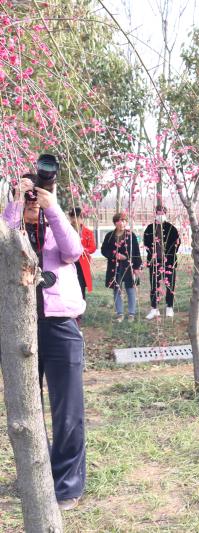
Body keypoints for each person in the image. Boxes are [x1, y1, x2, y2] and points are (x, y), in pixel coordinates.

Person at [4, 172, 87, 511]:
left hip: (60, 326)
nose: (32, 200)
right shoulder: (10, 231)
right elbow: (3, 248)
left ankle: (67, 484)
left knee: (67, 410)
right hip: (18, 328)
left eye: (36, 193)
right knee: (27, 410)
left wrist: (52, 208)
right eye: (26, 193)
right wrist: (14, 204)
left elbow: (74, 251)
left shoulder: (55, 228)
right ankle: (33, 475)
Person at [101, 212, 142, 322]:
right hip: (114, 266)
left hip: (128, 266)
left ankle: (131, 314)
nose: (122, 223)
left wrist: (137, 267)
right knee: (116, 289)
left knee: (130, 289)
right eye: (119, 221)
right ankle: (120, 314)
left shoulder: (131, 235)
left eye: (124, 221)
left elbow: (136, 252)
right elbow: (104, 250)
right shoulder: (109, 236)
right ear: (115, 223)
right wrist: (114, 255)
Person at [143, 205, 181, 320]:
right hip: (155, 261)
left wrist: (169, 253)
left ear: (165, 214)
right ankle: (154, 308)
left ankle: (169, 307)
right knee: (154, 285)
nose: (160, 215)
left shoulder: (171, 228)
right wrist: (153, 253)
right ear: (155, 214)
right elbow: (146, 243)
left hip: (169, 261)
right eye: (158, 213)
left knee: (170, 285)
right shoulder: (150, 228)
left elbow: (177, 243)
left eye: (162, 213)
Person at [67, 206, 96, 301]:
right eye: (72, 217)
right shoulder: (66, 231)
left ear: (81, 218)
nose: (74, 220)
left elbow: (92, 248)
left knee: (81, 285)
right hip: (69, 262)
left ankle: (81, 306)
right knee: (69, 285)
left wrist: (84, 250)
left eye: (76, 217)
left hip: (82, 262)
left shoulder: (88, 232)